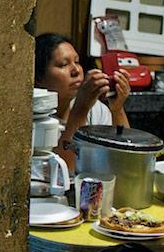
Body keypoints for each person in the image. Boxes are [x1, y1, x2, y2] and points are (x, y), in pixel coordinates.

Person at [34, 33, 130, 171]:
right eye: (63, 64)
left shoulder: (96, 109)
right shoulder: (35, 118)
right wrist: (80, 110)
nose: (76, 70)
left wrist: (117, 109)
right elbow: (60, 173)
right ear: (38, 77)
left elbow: (125, 160)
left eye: (77, 62)